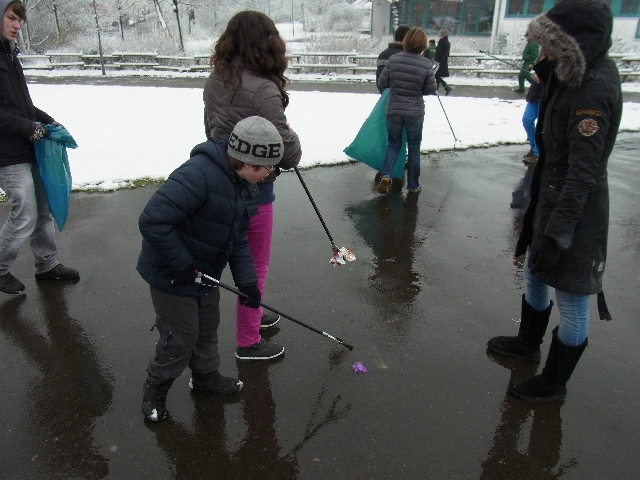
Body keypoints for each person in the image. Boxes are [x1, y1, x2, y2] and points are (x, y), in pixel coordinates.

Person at [487, 0, 622, 402]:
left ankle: (554, 383)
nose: (542, 51)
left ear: (571, 45)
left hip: (576, 212)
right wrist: (548, 79)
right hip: (549, 197)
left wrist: (559, 234)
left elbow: (583, 174)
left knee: (571, 296)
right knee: (535, 271)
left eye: (549, 45)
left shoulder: (592, 89)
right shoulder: (569, 77)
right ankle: (528, 343)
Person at [138, 116, 283, 422]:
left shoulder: (244, 185)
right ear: (246, 161)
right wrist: (182, 265)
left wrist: (247, 283)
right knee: (181, 335)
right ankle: (156, 388)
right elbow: (153, 221)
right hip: (172, 274)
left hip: (205, 272)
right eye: (266, 168)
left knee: (207, 326)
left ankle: (205, 377)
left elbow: (237, 237)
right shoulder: (198, 175)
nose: (269, 176)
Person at [203, 11, 302, 363]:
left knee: (238, 263)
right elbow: (287, 153)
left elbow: (210, 128)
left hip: (220, 180)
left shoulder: (215, 78)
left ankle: (253, 315)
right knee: (253, 268)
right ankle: (248, 341)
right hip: (255, 189)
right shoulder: (264, 89)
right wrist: (294, 138)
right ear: (269, 44)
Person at [0, 0, 78, 295]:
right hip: (6, 154)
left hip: (26, 146)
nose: (17, 25)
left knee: (43, 210)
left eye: (20, 20)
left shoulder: (10, 55)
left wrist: (46, 120)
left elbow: (21, 105)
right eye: (11, 18)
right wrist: (28, 127)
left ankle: (47, 264)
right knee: (26, 214)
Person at [377, 27, 437, 195]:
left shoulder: (394, 60)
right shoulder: (426, 64)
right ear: (423, 44)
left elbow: (382, 82)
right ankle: (413, 185)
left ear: (406, 41)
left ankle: (386, 175)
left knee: (393, 144)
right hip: (414, 111)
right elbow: (430, 90)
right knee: (414, 148)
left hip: (394, 109)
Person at [375, 25, 410, 94]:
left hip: (387, 95)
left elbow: (379, 80)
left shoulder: (383, 54)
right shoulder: (409, 56)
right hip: (404, 96)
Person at [521, 73, 543, 164]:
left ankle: (538, 153)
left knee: (541, 125)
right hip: (534, 96)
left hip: (546, 96)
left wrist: (544, 78)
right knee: (527, 120)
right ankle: (533, 147)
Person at [434, 29, 452, 96]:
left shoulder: (441, 42)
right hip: (444, 61)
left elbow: (438, 52)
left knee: (435, 75)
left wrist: (436, 60)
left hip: (439, 62)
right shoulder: (447, 43)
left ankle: (445, 87)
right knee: (437, 75)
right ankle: (439, 89)